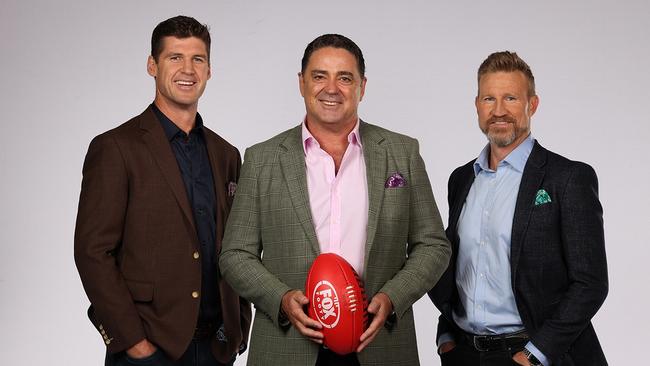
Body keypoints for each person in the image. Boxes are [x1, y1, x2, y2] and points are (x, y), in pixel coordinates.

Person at [218, 34, 451, 366]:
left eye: (344, 78)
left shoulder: (402, 152)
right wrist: (281, 299)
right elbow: (235, 254)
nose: (331, 88)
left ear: (362, 86)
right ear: (301, 83)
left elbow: (433, 244)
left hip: (380, 345)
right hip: (287, 349)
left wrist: (392, 298)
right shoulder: (262, 159)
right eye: (319, 76)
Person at [74, 15, 251, 366]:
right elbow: (93, 252)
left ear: (209, 70)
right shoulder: (116, 147)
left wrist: (238, 329)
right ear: (152, 65)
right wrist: (134, 343)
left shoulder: (226, 154)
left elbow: (237, 246)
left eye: (197, 59)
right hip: (148, 348)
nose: (188, 69)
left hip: (217, 348)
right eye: (175, 58)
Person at [429, 51, 608, 366]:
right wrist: (447, 336)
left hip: (535, 354)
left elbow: (590, 284)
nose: (499, 111)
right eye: (489, 99)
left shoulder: (567, 178)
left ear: (532, 105)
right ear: (477, 106)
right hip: (464, 354)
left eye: (510, 98)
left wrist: (534, 355)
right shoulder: (461, 179)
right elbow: (455, 265)